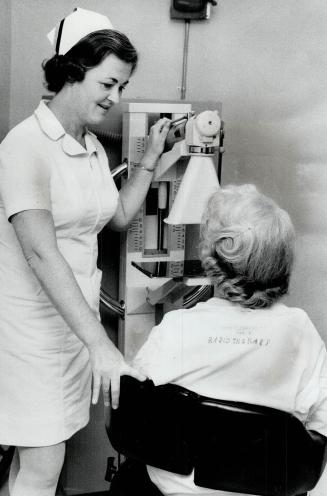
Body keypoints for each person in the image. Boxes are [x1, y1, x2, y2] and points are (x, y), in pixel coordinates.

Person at [0, 8, 171, 496]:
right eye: (108, 84)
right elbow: (39, 251)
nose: (116, 98)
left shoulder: (91, 146)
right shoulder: (25, 146)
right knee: (42, 467)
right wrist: (102, 346)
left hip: (72, 328)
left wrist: (151, 161)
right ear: (73, 71)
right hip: (30, 334)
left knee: (33, 467)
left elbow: (113, 218)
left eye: (122, 87)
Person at [133, 184, 327, 496]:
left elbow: (137, 408)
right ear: (282, 261)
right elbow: (320, 426)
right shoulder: (300, 331)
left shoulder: (177, 327)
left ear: (210, 261)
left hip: (176, 490)